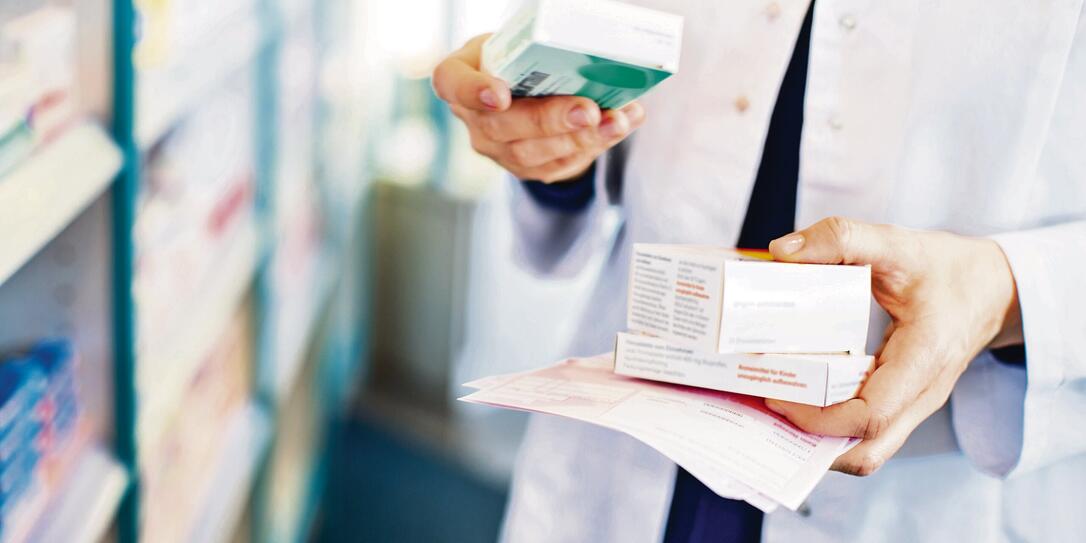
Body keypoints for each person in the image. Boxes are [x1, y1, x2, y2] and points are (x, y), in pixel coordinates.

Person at [433, 1, 1086, 541]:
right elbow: (612, 144)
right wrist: (547, 143)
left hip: (930, 488)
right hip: (628, 450)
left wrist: (1003, 291)